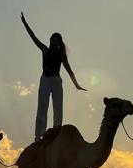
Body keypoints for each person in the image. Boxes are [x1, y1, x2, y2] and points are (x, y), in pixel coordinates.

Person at [20, 12, 86, 141]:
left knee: (58, 105)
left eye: (57, 40)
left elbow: (69, 70)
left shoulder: (61, 55)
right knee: (42, 107)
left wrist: (76, 85)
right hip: (45, 79)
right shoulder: (45, 50)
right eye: (53, 40)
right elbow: (33, 37)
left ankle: (57, 128)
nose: (54, 42)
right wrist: (25, 24)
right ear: (50, 41)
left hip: (56, 80)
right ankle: (38, 135)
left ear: (59, 43)